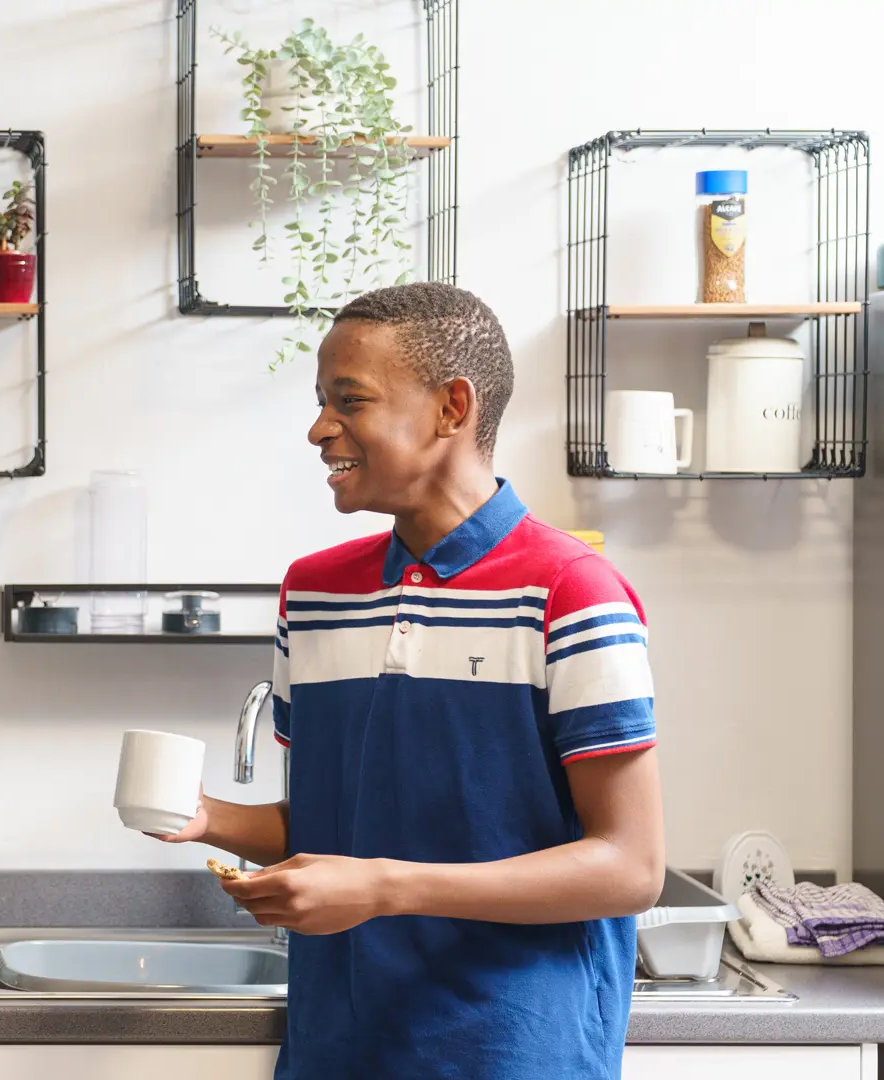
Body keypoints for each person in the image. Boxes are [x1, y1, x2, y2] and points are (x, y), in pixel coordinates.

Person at [165, 282, 664, 1079]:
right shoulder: (317, 593)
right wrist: (204, 817)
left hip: (510, 1054)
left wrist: (381, 889)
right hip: (336, 1050)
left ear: (451, 408)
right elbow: (339, 827)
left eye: (349, 401)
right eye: (321, 402)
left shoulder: (572, 591)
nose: (319, 429)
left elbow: (630, 868)